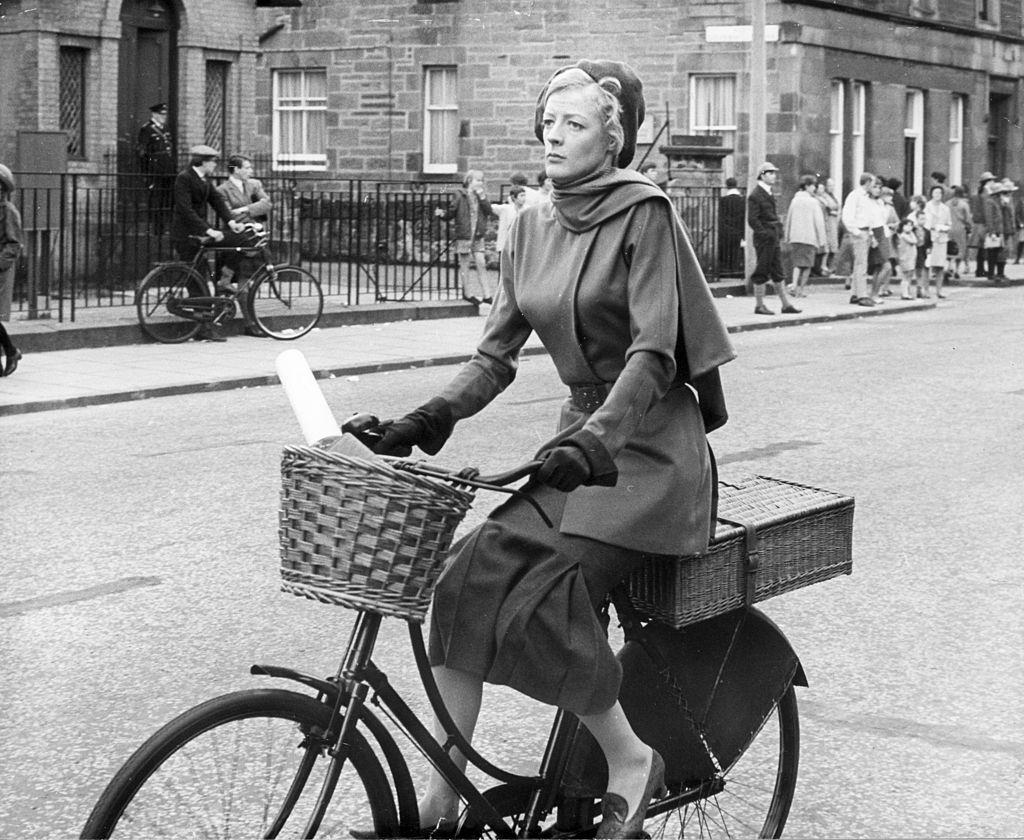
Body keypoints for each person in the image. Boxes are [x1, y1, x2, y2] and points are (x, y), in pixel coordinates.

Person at [365, 59, 735, 840]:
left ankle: (632, 759)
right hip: (581, 450)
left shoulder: (646, 215)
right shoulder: (528, 224)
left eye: (574, 124)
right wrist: (427, 418)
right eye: (547, 124)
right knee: (466, 578)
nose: (554, 137)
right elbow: (496, 355)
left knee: (548, 598)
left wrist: (597, 439)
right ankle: (443, 797)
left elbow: (654, 355)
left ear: (613, 139)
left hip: (651, 456)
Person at [169, 145, 246, 341]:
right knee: (198, 282)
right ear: (202, 161)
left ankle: (224, 281)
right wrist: (208, 230)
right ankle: (203, 329)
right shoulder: (184, 178)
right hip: (186, 235)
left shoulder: (204, 179)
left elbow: (217, 201)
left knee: (237, 240)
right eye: (213, 161)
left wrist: (232, 222)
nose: (215, 165)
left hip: (201, 234)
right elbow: (186, 210)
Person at [215, 154, 274, 336]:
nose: (250, 171)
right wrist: (247, 215)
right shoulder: (222, 190)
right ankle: (249, 323)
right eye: (247, 168)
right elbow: (228, 214)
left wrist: (244, 209)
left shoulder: (254, 185)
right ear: (236, 169)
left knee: (249, 279)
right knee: (242, 281)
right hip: (238, 236)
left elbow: (267, 204)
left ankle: (250, 322)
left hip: (254, 237)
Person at [746, 161, 800, 315]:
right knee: (762, 270)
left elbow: (773, 216)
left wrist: (778, 232)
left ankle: (785, 304)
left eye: (774, 173)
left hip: (773, 236)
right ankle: (759, 305)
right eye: (770, 173)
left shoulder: (768, 192)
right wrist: (764, 234)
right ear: (762, 175)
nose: (773, 176)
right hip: (765, 238)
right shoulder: (755, 195)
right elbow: (752, 220)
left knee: (777, 269)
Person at [438, 170, 495, 306]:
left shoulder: (481, 196)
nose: (480, 183)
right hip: (464, 235)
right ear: (470, 181)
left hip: (477, 236)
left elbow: (489, 211)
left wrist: (482, 197)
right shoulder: (460, 195)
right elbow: (452, 211)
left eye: (481, 180)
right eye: (477, 180)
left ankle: (487, 295)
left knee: (481, 263)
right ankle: (468, 293)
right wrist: (441, 213)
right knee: (465, 265)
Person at [783, 174, 827, 297]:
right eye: (813, 186)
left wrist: (787, 236)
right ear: (807, 186)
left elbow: (789, 219)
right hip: (809, 237)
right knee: (807, 265)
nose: (814, 188)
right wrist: (822, 240)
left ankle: (793, 285)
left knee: (797, 264)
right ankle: (801, 290)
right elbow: (819, 222)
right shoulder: (813, 202)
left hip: (796, 237)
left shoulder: (794, 200)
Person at [0, 163, 25, 376]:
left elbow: (14, 244)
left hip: (1, 269)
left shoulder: (8, 211)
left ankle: (11, 351)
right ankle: (9, 353)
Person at [840, 172, 879, 306]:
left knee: (860, 264)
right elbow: (847, 216)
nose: (874, 186)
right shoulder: (855, 196)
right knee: (861, 265)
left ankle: (855, 293)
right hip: (859, 232)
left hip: (865, 231)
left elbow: (868, 217)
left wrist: (871, 234)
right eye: (872, 183)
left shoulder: (866, 197)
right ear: (867, 182)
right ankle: (862, 295)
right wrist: (856, 231)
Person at [137, 103, 175, 234]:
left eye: (165, 114)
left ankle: (167, 227)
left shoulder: (165, 129)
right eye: (161, 114)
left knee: (166, 199)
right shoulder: (147, 129)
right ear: (154, 114)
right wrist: (146, 172)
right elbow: (142, 152)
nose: (164, 117)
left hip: (167, 169)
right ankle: (157, 229)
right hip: (155, 170)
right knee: (156, 199)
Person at [922, 184, 952, 298]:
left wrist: (945, 228)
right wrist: (932, 227)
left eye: (939, 193)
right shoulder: (927, 207)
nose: (937, 195)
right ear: (931, 194)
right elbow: (924, 222)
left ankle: (939, 290)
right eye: (935, 193)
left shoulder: (946, 208)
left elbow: (949, 223)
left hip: (942, 239)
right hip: (930, 238)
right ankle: (926, 289)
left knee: (940, 266)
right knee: (927, 264)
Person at [968, 171, 998, 277]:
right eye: (992, 180)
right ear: (988, 182)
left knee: (981, 249)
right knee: (989, 249)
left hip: (978, 224)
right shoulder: (986, 195)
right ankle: (985, 271)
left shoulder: (977, 193)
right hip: (984, 224)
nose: (993, 182)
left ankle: (979, 269)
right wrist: (991, 229)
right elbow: (987, 212)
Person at [717, 176, 745, 274]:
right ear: (736, 185)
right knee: (736, 252)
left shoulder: (723, 200)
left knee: (726, 252)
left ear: (727, 186)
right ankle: (736, 270)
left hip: (725, 230)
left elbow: (720, 216)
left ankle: (726, 271)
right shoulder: (742, 200)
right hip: (738, 230)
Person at [813, 177, 840, 276]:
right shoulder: (822, 198)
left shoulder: (832, 196)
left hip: (832, 224)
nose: (831, 188)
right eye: (829, 185)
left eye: (833, 185)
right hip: (826, 224)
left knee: (832, 247)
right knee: (826, 248)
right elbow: (829, 207)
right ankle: (823, 268)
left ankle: (829, 268)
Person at [493, 185, 526, 262]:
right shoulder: (506, 209)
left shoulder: (527, 209)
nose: (524, 198)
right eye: (521, 196)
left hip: (520, 244)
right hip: (506, 243)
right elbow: (490, 208)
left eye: (524, 195)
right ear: (514, 197)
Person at [946, 185, 972, 280]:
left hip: (949, 229)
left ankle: (949, 266)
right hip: (960, 229)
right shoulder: (964, 204)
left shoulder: (947, 203)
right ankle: (957, 269)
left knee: (949, 248)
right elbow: (968, 218)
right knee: (960, 249)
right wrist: (969, 227)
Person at [996, 179, 1018, 280]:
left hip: (1007, 228)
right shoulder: (1004, 201)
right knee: (1003, 250)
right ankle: (1000, 272)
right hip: (1004, 229)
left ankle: (1001, 271)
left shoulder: (1008, 200)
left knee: (1005, 250)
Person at [895, 218, 919, 299]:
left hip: (911, 258)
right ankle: (904, 293)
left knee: (910, 276)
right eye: (906, 225)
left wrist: (911, 232)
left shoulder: (910, 234)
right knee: (905, 276)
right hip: (905, 258)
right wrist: (911, 233)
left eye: (910, 225)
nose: (909, 227)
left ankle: (907, 292)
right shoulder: (903, 235)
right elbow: (914, 241)